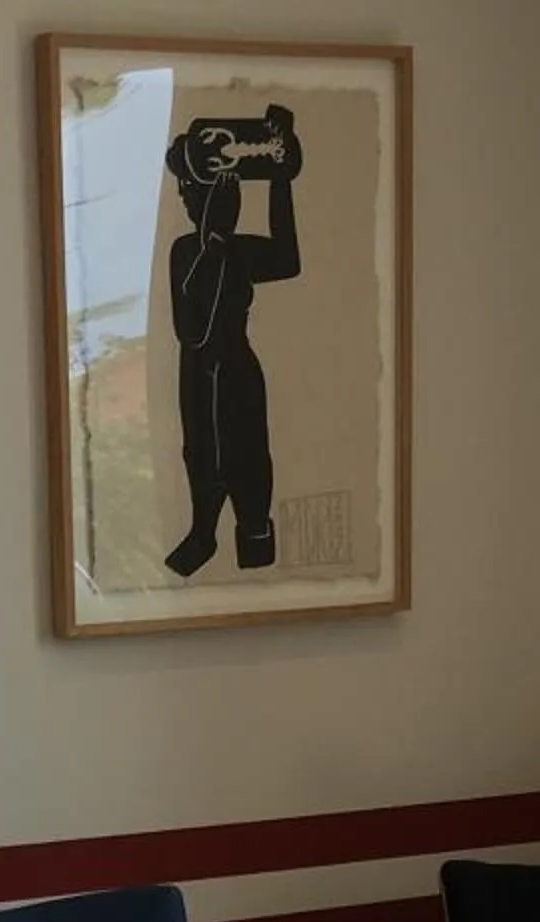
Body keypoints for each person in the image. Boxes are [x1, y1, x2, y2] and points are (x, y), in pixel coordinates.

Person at [162, 106, 302, 578]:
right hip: (201, 373)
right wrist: (217, 237)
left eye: (194, 189)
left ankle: (255, 536)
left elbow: (286, 259)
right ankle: (204, 532)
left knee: (249, 458)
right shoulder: (187, 251)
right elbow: (192, 327)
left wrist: (281, 182)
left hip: (238, 370)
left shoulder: (234, 249)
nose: (188, 198)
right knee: (202, 455)